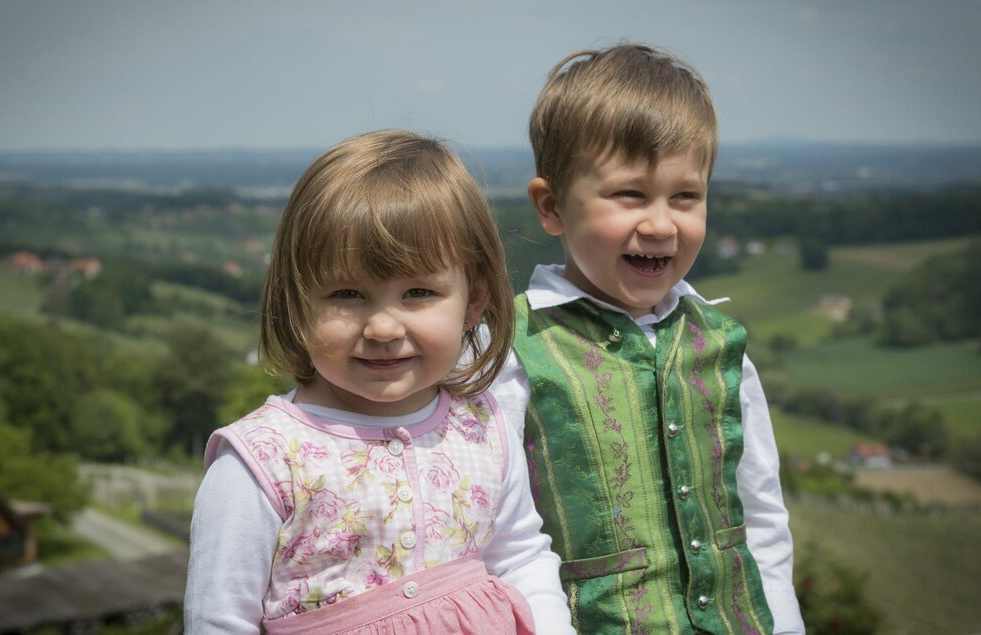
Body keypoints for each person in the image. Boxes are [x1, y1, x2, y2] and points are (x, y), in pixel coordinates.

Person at [184, 130, 574, 635]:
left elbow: (519, 554)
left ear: (474, 299)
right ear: (297, 302)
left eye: (418, 292)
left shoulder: (482, 425)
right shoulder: (262, 461)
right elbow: (218, 620)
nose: (384, 328)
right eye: (347, 294)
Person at [489, 44, 805, 634]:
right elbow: (496, 537)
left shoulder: (722, 345)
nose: (660, 224)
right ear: (552, 206)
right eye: (629, 195)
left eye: (685, 196)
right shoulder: (510, 353)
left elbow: (760, 517)